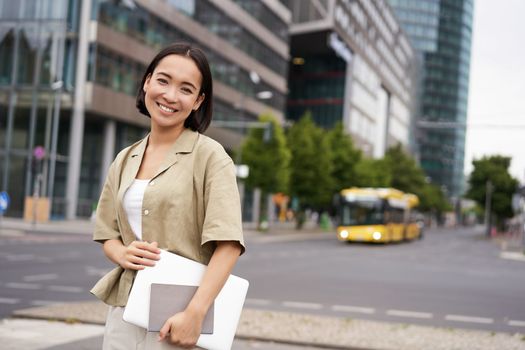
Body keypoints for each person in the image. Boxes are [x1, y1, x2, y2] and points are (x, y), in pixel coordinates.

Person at [90, 42, 245, 349]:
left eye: (186, 89)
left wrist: (195, 314)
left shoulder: (211, 157)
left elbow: (228, 245)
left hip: (179, 316)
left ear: (199, 101)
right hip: (125, 308)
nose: (171, 96)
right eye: (163, 80)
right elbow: (107, 233)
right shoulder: (125, 158)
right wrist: (121, 253)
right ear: (147, 81)